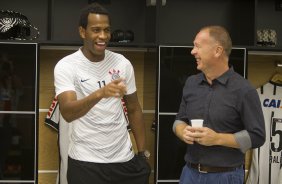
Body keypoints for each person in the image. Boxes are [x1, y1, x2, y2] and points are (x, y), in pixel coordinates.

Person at [54, 3, 151, 184]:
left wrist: (142, 154)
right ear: (82, 32)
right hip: (85, 163)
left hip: (124, 160)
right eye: (96, 30)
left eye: (107, 30)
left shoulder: (123, 63)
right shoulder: (66, 66)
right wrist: (100, 93)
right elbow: (67, 112)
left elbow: (134, 108)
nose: (103, 36)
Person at [172, 25, 266, 184]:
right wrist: (182, 131)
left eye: (197, 46)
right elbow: (179, 120)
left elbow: (257, 136)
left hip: (225, 177)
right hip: (189, 174)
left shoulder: (244, 89)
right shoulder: (191, 83)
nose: (192, 51)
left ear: (217, 51)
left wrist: (217, 139)